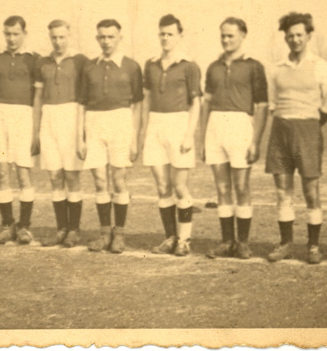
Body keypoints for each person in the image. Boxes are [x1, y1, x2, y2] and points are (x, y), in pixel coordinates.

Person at [265, 12, 327, 265]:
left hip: (308, 131)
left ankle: (313, 246)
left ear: (308, 36)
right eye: (290, 36)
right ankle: (285, 244)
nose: (295, 40)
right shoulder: (277, 68)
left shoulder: (321, 67)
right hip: (280, 130)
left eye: (299, 35)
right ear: (285, 38)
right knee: (283, 191)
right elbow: (272, 103)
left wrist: (308, 125)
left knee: (310, 191)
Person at [200, 17, 268, 260]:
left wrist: (256, 141)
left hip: (241, 126)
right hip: (215, 127)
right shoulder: (213, 67)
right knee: (222, 188)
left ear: (242, 36)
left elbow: (261, 106)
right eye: (223, 36)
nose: (226, 40)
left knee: (241, 187)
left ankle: (243, 242)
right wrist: (202, 137)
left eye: (231, 35)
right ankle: (227, 241)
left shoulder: (254, 66)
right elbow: (206, 103)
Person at [77, 19, 143, 254]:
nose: (106, 41)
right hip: (94, 122)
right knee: (99, 181)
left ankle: (119, 235)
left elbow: (137, 106)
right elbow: (81, 104)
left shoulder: (132, 67)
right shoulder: (90, 67)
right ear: (97, 38)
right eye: (102, 37)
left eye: (111, 36)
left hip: (121, 122)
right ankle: (105, 234)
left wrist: (135, 139)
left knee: (118, 180)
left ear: (119, 38)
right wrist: (80, 138)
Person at [141, 15, 202, 257]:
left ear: (179, 36)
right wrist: (145, 129)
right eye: (162, 34)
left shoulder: (189, 65)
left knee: (179, 187)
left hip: (179, 124)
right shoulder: (151, 64)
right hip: (155, 124)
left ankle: (184, 240)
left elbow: (196, 103)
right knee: (162, 186)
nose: (166, 38)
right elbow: (146, 100)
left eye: (170, 34)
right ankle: (170, 237)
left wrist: (189, 135)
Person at [0, 16, 39, 244]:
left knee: (23, 173)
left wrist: (36, 129)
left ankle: (24, 227)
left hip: (24, 117)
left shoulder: (35, 60)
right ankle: (8, 226)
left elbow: (40, 98)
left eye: (16, 34)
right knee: (2, 173)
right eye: (7, 34)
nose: (11, 38)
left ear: (24, 33)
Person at [34, 20, 89, 248]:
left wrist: (82, 132)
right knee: (55, 176)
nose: (58, 42)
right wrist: (36, 130)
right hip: (49, 117)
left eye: (62, 37)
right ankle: (61, 229)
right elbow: (37, 97)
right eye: (54, 37)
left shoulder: (80, 61)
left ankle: (74, 230)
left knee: (72, 176)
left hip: (71, 115)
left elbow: (85, 98)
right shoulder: (42, 62)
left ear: (69, 35)